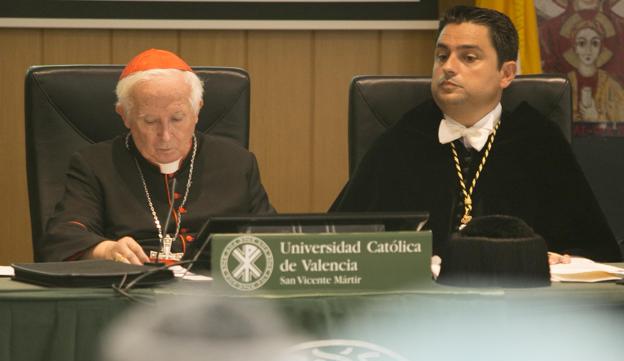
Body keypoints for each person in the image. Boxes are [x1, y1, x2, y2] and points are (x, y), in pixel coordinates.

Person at [331, 5, 621, 262]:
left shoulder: (538, 143)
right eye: (441, 56)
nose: (448, 67)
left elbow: (595, 253)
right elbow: (337, 247)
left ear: (506, 74)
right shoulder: (401, 140)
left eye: (468, 57)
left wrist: (557, 258)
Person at [40, 49, 274, 264]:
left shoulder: (237, 163)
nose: (165, 136)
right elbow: (62, 236)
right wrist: (106, 250)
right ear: (125, 115)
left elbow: (274, 239)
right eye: (150, 121)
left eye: (177, 118)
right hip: (130, 293)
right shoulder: (94, 165)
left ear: (197, 110)